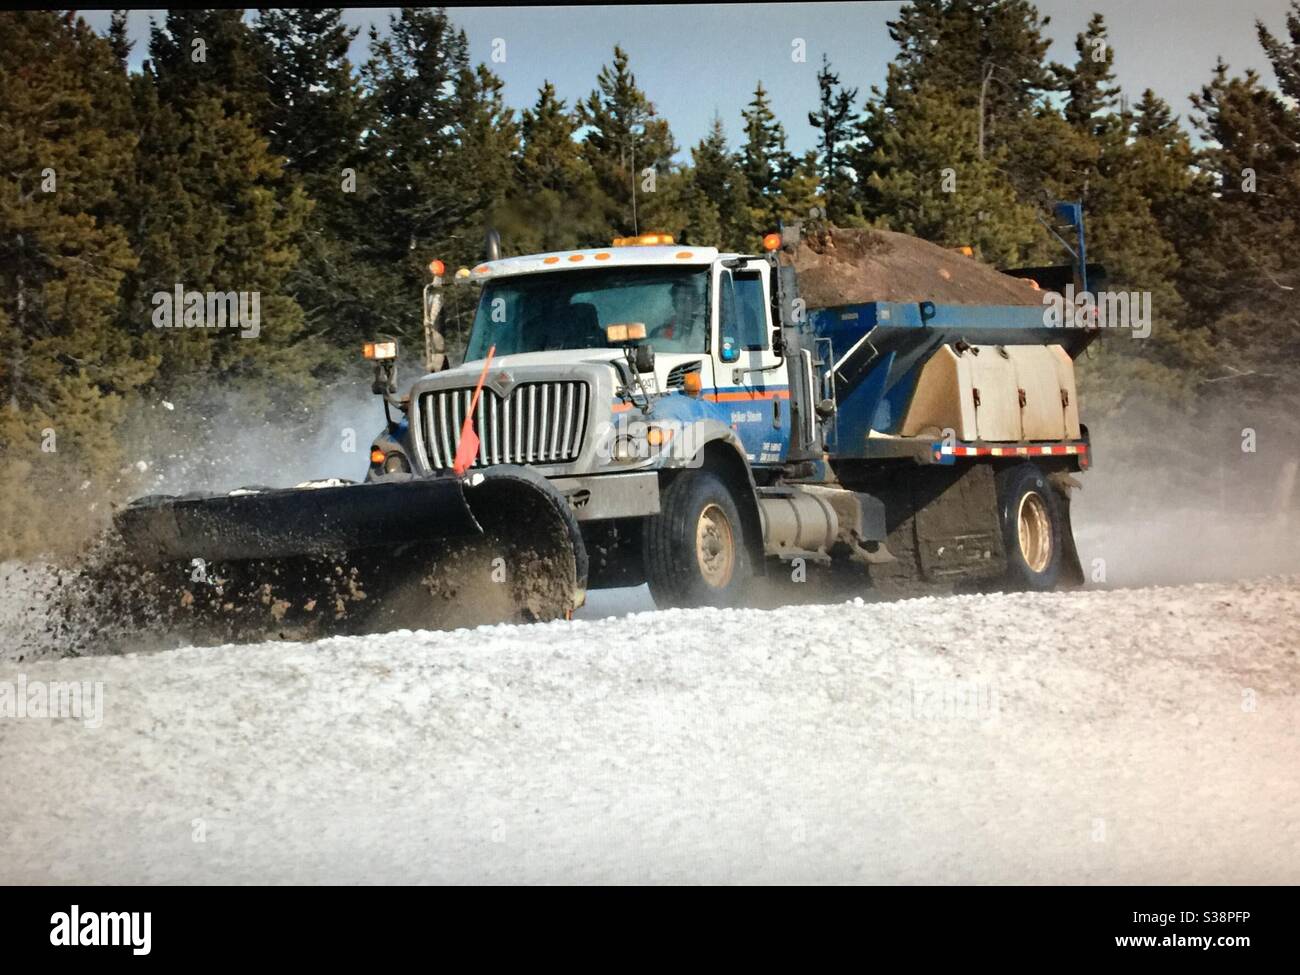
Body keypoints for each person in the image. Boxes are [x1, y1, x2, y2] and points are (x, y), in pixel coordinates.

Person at [649, 280, 705, 350]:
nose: (680, 306)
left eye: (685, 300)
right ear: (673, 304)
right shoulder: (658, 333)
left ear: (696, 302)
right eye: (677, 300)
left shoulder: (706, 329)